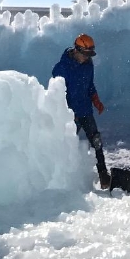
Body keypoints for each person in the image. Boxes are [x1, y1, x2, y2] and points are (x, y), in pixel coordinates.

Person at [51, 33, 109, 188]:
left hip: (85, 111)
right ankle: (60, 178)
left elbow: (90, 86)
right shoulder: (61, 68)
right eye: (85, 54)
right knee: (65, 145)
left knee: (96, 141)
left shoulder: (88, 65)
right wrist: (69, 112)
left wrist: (96, 99)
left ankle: (104, 174)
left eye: (90, 55)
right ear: (77, 50)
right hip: (70, 115)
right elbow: (58, 94)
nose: (87, 58)